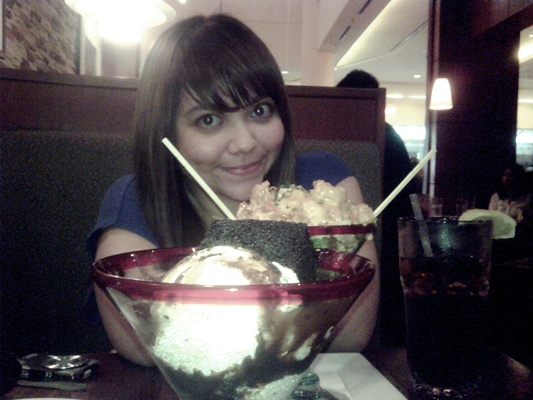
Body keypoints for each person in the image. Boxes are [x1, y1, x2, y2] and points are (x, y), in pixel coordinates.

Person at [87, 15, 380, 366]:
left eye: (260, 110)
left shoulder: (324, 183)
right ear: (166, 132)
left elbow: (350, 337)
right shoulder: (135, 200)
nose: (244, 144)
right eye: (209, 119)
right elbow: (146, 348)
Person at [337, 69, 415, 346]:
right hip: (392, 223)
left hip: (387, 223)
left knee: (388, 285)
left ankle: (390, 342)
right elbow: (410, 189)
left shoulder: (382, 135)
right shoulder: (388, 134)